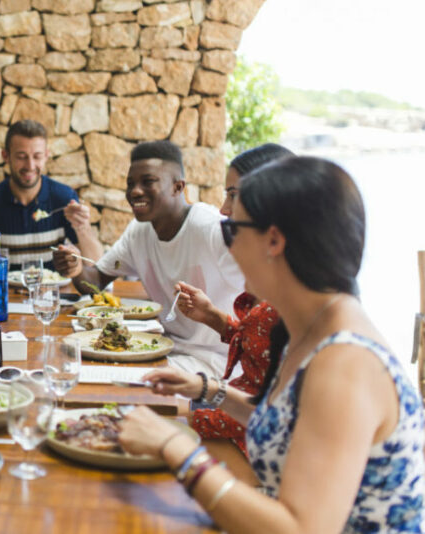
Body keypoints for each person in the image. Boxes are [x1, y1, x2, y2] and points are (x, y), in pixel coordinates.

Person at [118, 157, 424, 533]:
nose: (227, 246)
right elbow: (288, 422)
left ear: (274, 241)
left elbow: (300, 528)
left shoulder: (345, 364)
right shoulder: (313, 328)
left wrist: (177, 450)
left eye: (232, 230)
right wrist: (210, 391)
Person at [54, 140, 245, 376]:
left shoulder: (212, 229)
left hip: (216, 364)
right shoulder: (139, 232)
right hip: (163, 351)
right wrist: (76, 268)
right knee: (69, 365)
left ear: (178, 187)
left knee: (95, 377)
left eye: (148, 182)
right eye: (130, 183)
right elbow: (95, 282)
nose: (135, 191)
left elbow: (261, 298)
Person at [174, 143, 294, 454]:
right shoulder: (283, 295)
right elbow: (260, 350)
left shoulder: (299, 312)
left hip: (247, 444)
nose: (223, 210)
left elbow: (274, 422)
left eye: (232, 194)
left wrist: (188, 415)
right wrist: (213, 317)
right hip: (237, 411)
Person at [0, 119, 102, 267]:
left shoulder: (64, 198)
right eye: (21, 157)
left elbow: (94, 262)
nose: (30, 166)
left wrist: (82, 227)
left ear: (46, 156)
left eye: (37, 156)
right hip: (5, 289)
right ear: (6, 156)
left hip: (53, 289)